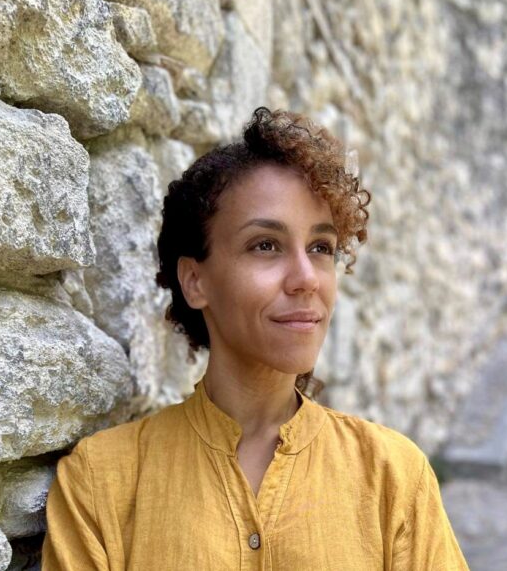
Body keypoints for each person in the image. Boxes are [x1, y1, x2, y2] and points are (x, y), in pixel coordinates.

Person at [41, 107, 469, 570]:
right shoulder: (102, 481)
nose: (306, 278)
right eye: (265, 245)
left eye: (321, 248)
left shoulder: (394, 478)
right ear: (195, 281)